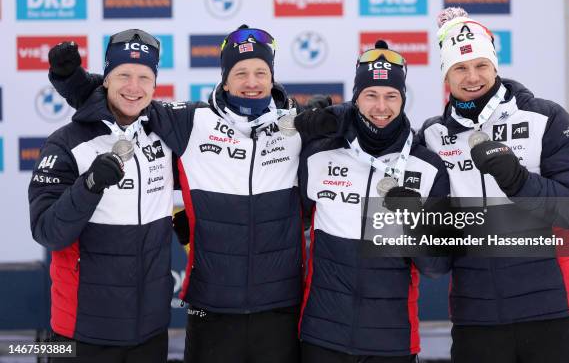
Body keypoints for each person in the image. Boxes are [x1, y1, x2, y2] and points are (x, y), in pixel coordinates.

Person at [48, 25, 338, 363]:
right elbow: (126, 99)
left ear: (272, 77)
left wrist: (325, 117)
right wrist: (72, 81)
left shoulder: (297, 126)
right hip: (211, 309)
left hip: (284, 310)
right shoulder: (192, 121)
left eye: (261, 72)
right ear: (225, 79)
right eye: (240, 72)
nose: (252, 81)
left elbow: (364, 120)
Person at [416, 7, 569, 362]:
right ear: (445, 76)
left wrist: (517, 179)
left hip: (551, 309)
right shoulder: (432, 137)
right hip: (476, 317)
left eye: (481, 65)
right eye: (460, 68)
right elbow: (437, 259)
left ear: (495, 65)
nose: (472, 77)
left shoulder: (545, 117)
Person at [297, 40, 450, 362]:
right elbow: (288, 223)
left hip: (391, 342)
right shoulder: (319, 154)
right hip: (322, 336)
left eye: (391, 96)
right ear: (356, 99)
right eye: (371, 95)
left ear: (403, 99)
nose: (381, 107)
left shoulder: (426, 166)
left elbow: (437, 265)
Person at [29, 29, 174, 362]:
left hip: (149, 331)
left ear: (155, 85)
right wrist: (90, 184)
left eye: (144, 77)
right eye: (123, 75)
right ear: (106, 80)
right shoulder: (65, 143)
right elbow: (48, 231)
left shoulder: (164, 135)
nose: (133, 87)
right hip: (81, 332)